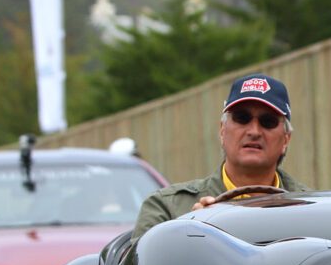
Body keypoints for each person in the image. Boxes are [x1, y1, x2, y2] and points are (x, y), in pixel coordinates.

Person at [132, 73, 311, 241]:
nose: (254, 131)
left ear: (286, 139)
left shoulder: (311, 208)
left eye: (268, 122)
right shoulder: (167, 208)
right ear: (222, 131)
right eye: (242, 118)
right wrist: (189, 233)